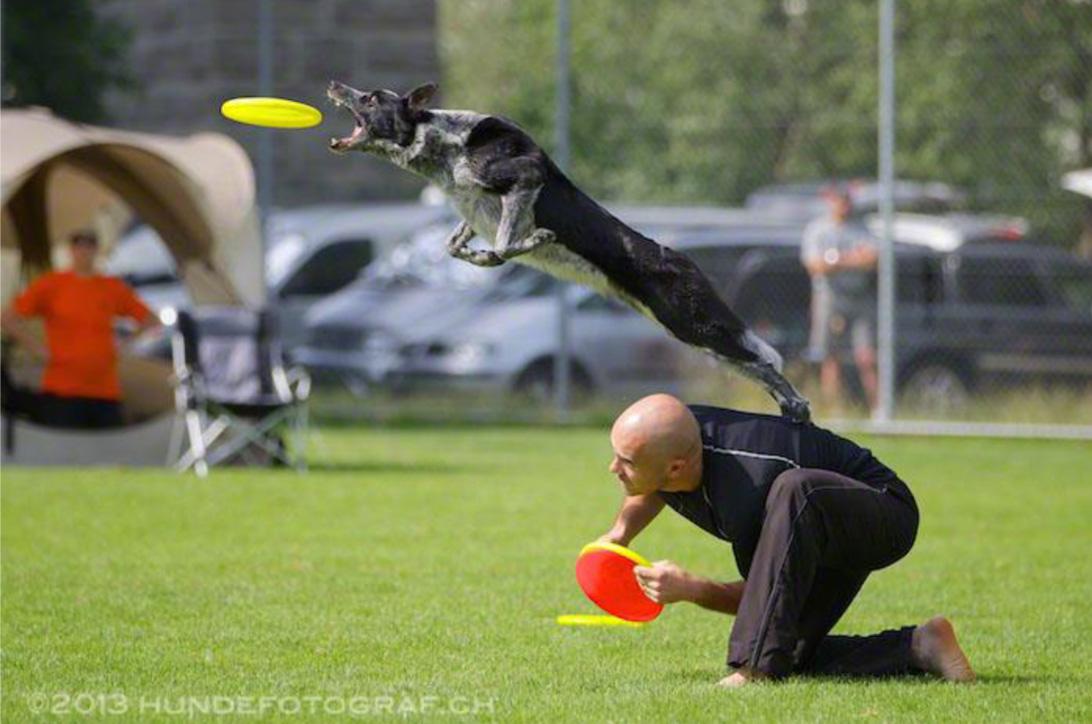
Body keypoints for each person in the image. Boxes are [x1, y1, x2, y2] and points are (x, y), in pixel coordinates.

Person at [599, 393, 974, 687]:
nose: (613, 469)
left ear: (676, 467)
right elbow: (650, 483)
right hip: (818, 523)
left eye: (625, 461)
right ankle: (921, 645)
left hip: (883, 513)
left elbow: (763, 594)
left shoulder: (747, 490)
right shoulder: (676, 438)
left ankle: (754, 670)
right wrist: (619, 536)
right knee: (790, 649)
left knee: (794, 491)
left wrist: (691, 588)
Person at [0, 230, 158, 428]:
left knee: (108, 451)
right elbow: (7, 318)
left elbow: (151, 319)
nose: (84, 252)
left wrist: (124, 344)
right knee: (63, 449)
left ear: (96, 250)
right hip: (62, 388)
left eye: (89, 246)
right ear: (71, 250)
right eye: (79, 246)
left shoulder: (111, 287)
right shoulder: (52, 284)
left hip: (104, 389)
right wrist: (37, 349)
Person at [801, 186, 879, 413]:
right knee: (830, 355)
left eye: (847, 200)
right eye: (839, 200)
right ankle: (835, 411)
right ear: (829, 201)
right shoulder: (817, 230)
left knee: (867, 356)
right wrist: (852, 259)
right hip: (830, 297)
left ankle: (879, 411)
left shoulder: (862, 229)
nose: (844, 205)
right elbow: (816, 266)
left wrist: (836, 261)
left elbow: (872, 259)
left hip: (859, 296)